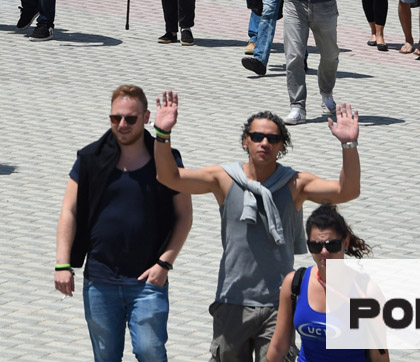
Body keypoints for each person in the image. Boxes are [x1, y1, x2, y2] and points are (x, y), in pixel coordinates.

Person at [150, 92, 361, 362]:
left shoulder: (294, 184)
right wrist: (162, 134)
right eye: (257, 137)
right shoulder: (223, 179)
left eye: (273, 139)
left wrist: (349, 144)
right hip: (232, 301)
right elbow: (169, 177)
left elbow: (348, 190)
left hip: (279, 305)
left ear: (282, 146)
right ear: (244, 141)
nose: (264, 143)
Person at [54, 85, 192, 362]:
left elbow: (184, 217)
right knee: (106, 357)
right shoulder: (91, 158)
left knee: (150, 352)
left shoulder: (164, 160)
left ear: (145, 117)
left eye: (130, 118)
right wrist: (62, 264)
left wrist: (164, 264)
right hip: (100, 279)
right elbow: (68, 211)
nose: (122, 124)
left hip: (148, 280)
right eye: (116, 118)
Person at [266, 205, 385, 362]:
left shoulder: (367, 293)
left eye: (332, 245)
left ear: (346, 243)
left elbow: (379, 357)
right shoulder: (295, 284)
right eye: (316, 246)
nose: (323, 252)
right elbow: (278, 346)